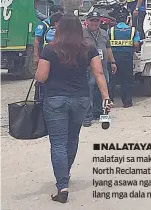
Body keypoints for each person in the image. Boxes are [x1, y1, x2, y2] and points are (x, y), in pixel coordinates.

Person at [35, 13, 111, 204]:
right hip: (81, 100)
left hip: (55, 100)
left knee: (58, 143)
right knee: (72, 139)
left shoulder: (50, 49)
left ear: (59, 28)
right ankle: (65, 174)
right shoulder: (89, 48)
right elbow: (99, 72)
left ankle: (62, 186)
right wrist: (105, 96)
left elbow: (41, 78)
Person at [82, 12, 117, 127]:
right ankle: (87, 117)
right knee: (88, 91)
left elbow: (108, 48)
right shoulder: (82, 34)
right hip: (88, 68)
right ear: (87, 21)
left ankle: (99, 113)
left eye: (96, 21)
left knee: (102, 91)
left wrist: (112, 62)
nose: (94, 23)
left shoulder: (104, 33)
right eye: (92, 20)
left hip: (103, 67)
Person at [108, 9, 140, 108]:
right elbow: (136, 44)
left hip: (113, 59)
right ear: (126, 20)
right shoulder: (133, 31)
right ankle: (127, 102)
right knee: (126, 81)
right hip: (127, 58)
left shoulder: (111, 30)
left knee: (111, 81)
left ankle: (110, 101)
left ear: (116, 20)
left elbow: (106, 44)